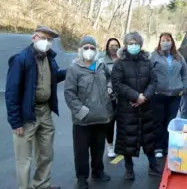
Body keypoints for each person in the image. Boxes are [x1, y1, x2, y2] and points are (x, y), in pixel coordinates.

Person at [5, 25, 65, 189]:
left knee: (46, 153)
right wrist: (15, 121)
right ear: (34, 38)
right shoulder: (21, 59)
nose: (46, 42)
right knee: (24, 159)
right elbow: (11, 92)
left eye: (49, 39)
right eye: (42, 38)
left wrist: (70, 70)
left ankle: (41, 184)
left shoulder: (49, 59)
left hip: (45, 111)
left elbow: (55, 77)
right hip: (27, 115)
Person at [64, 36, 114, 189]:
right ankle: (82, 177)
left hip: (101, 115)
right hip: (83, 119)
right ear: (80, 50)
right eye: (86, 48)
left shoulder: (101, 65)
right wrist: (81, 112)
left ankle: (98, 171)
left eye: (92, 48)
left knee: (98, 147)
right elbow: (69, 93)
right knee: (81, 151)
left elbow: (110, 78)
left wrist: (110, 87)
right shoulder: (74, 68)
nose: (89, 51)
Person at [111, 31, 161, 180]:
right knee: (128, 139)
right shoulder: (119, 63)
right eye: (130, 43)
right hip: (127, 108)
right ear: (126, 45)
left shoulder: (147, 61)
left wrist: (144, 96)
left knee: (149, 138)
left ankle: (153, 166)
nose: (133, 46)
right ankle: (129, 169)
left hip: (145, 106)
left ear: (141, 45)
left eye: (136, 43)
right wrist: (135, 96)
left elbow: (154, 81)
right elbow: (117, 84)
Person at [151, 32, 187, 158]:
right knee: (158, 121)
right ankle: (158, 147)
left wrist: (184, 87)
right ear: (159, 42)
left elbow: (184, 72)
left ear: (172, 42)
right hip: (158, 94)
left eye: (167, 40)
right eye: (163, 40)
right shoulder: (154, 56)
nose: (165, 42)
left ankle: (169, 145)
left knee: (171, 121)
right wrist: (152, 88)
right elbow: (148, 73)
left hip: (175, 94)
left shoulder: (178, 56)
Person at [101, 37, 121, 158]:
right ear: (107, 47)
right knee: (110, 124)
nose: (114, 47)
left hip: (123, 97)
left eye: (116, 45)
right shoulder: (102, 61)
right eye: (111, 45)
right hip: (109, 97)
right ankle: (110, 146)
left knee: (123, 123)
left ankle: (120, 146)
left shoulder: (123, 59)